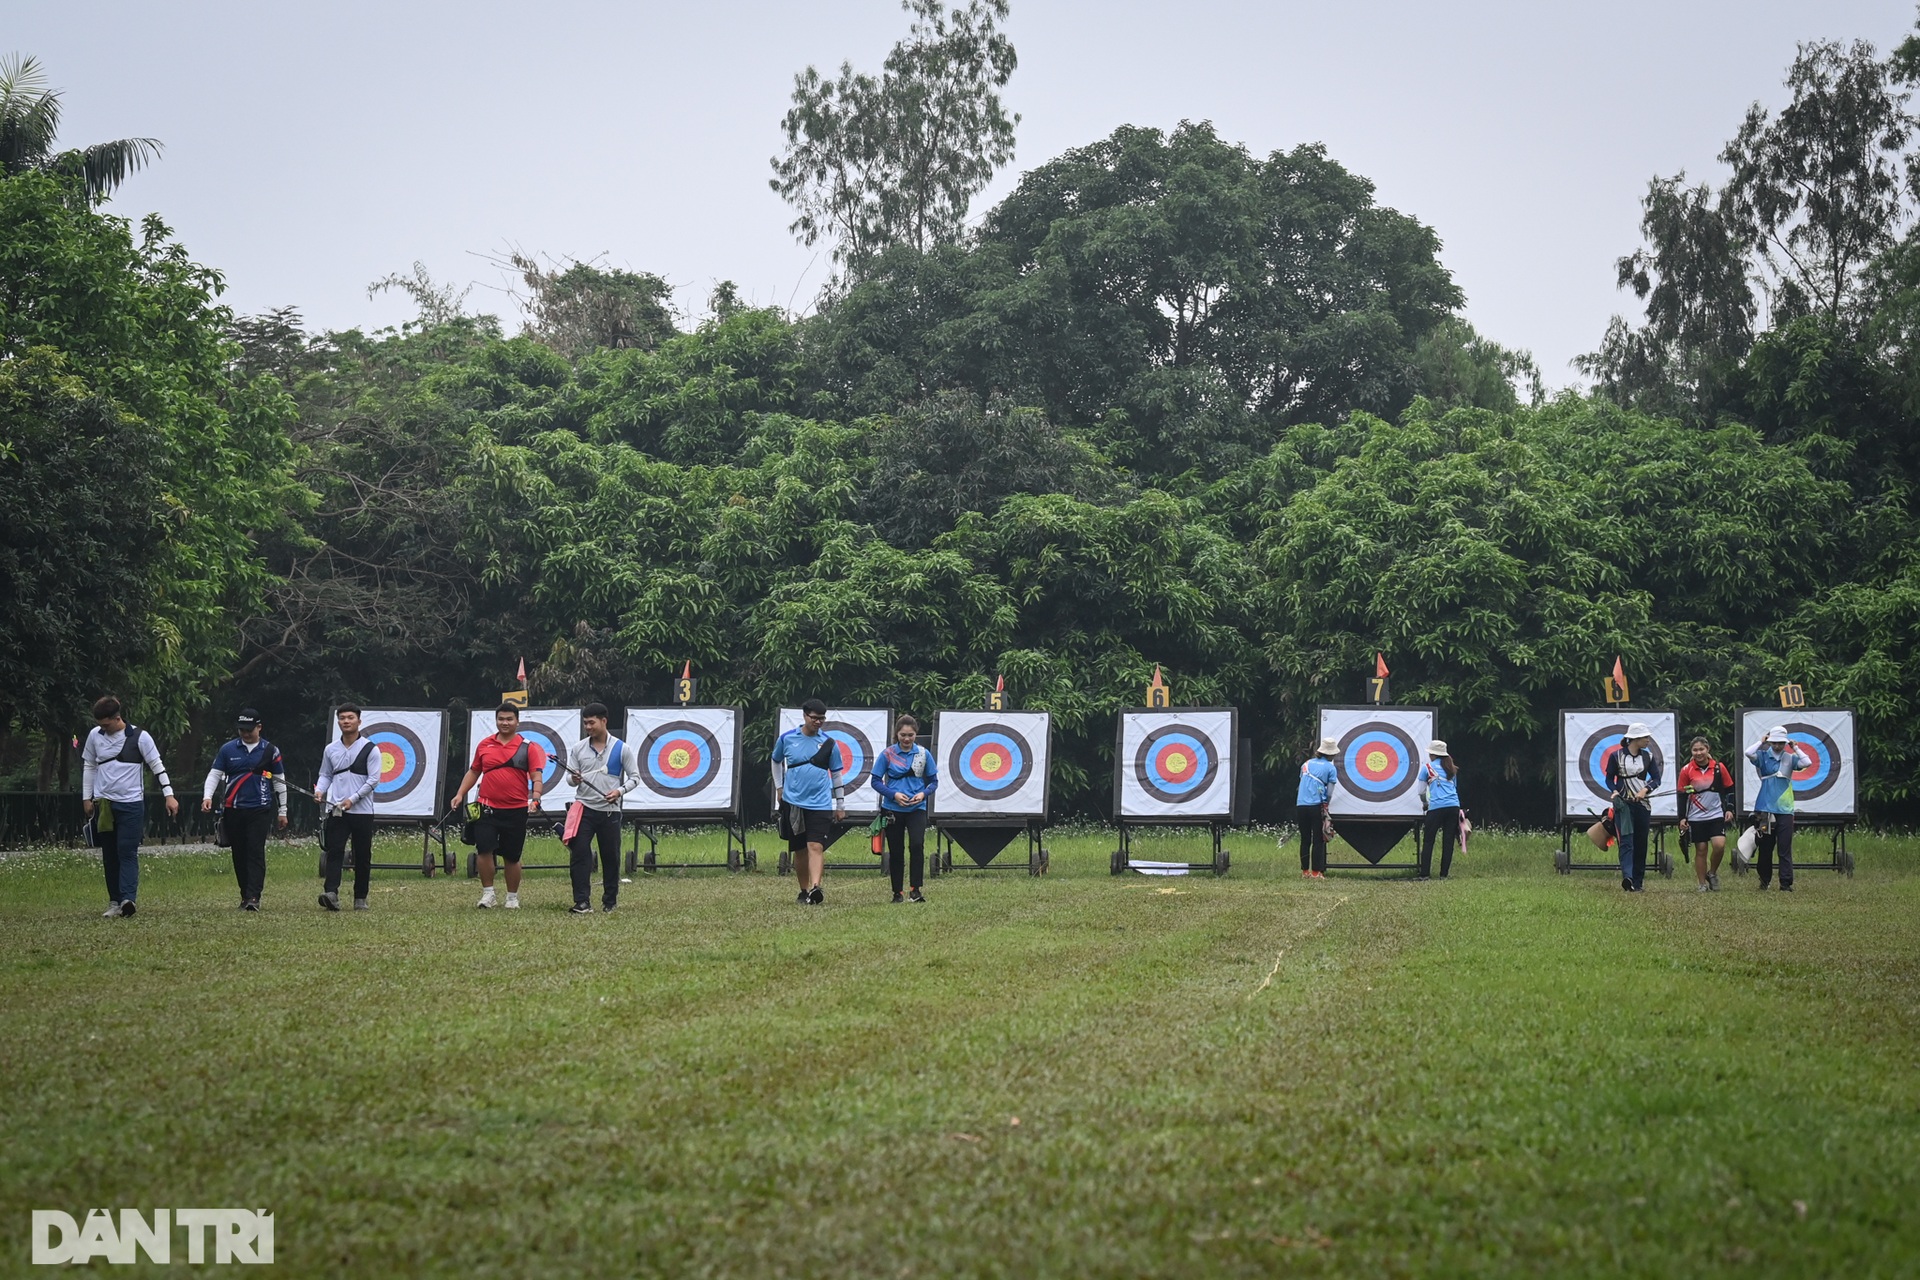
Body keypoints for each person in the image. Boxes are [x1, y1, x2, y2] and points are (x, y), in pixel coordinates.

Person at [80, 696, 178, 918]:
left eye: (106, 724)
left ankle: (128, 899)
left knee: (127, 850)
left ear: (118, 718)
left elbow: (157, 766)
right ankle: (114, 901)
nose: (103, 729)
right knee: (109, 853)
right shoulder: (95, 736)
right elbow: (89, 766)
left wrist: (169, 795)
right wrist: (87, 798)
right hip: (104, 804)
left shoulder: (140, 737)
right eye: (100, 725)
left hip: (131, 804)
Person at [449, 702, 546, 909]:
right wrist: (460, 794)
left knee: (512, 856)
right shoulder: (485, 744)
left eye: (509, 719)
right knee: (484, 850)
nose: (505, 723)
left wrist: (536, 798)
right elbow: (474, 771)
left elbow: (536, 776)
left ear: (517, 721)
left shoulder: (528, 747)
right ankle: (488, 894)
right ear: (496, 721)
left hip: (516, 809)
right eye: (501, 719)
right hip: (486, 808)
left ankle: (512, 898)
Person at [201, 708, 288, 911]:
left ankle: (254, 897)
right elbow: (214, 774)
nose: (246, 734)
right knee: (239, 852)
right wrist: (207, 797)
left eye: (250, 730)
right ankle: (245, 894)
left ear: (259, 727)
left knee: (255, 851)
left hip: (260, 809)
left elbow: (279, 781)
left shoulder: (270, 750)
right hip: (233, 809)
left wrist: (283, 810)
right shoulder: (228, 749)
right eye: (242, 730)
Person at [565, 702, 639, 915]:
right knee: (579, 855)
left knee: (611, 857)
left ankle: (610, 901)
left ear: (603, 721)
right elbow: (569, 778)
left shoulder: (621, 748)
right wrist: (574, 778)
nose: (588, 727)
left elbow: (635, 778)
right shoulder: (578, 748)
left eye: (592, 723)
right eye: (585, 723)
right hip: (584, 809)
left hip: (610, 812)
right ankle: (582, 902)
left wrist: (619, 791)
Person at [772, 699, 846, 905]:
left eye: (822, 718)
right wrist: (779, 787)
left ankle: (815, 888)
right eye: (814, 718)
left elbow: (836, 774)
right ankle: (803, 890)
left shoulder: (829, 743)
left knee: (816, 845)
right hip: (794, 802)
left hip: (821, 803)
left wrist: (840, 805)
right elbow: (776, 760)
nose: (818, 722)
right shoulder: (787, 738)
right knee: (800, 849)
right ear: (805, 716)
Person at [315, 703, 381, 911]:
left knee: (362, 855)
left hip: (362, 811)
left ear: (359, 721)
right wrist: (320, 791)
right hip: (336, 809)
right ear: (338, 722)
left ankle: (360, 897)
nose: (346, 721)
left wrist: (353, 799)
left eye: (350, 717)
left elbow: (373, 780)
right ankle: (331, 893)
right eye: (342, 718)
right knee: (334, 851)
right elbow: (325, 774)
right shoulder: (331, 749)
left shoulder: (371, 749)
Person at [870, 714, 938, 903]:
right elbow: (875, 781)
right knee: (896, 850)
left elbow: (933, 781)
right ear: (896, 735)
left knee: (917, 845)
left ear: (916, 734)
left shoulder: (923, 754)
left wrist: (923, 794)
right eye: (903, 735)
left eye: (910, 735)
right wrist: (894, 795)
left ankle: (915, 890)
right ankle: (897, 892)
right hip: (892, 808)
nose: (907, 739)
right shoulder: (888, 754)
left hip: (917, 808)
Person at [1747, 725, 1811, 892]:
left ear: (1785, 743)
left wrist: (1795, 747)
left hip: (1785, 809)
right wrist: (1761, 742)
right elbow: (1748, 753)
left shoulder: (1790, 758)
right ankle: (1764, 880)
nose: (1777, 746)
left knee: (1784, 847)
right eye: (1774, 742)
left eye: (1781, 743)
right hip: (1765, 808)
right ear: (1770, 741)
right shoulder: (1762, 755)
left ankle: (1785, 883)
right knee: (1765, 846)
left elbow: (1807, 762)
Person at [1606, 723, 1661, 892]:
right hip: (1624, 805)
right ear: (1635, 738)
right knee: (1626, 841)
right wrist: (1615, 791)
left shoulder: (1648, 757)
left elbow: (1656, 779)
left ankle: (1638, 882)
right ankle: (1628, 877)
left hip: (1642, 805)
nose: (1648, 740)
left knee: (1640, 842)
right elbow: (1609, 779)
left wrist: (1645, 790)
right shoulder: (1616, 756)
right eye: (1645, 737)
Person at [1676, 736, 1736, 893]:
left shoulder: (1719, 767)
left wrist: (1729, 809)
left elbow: (1729, 788)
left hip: (1716, 813)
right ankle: (1702, 884)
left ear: (1707, 749)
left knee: (1719, 845)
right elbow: (1681, 795)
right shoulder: (1686, 770)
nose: (1698, 753)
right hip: (1695, 816)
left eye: (1701, 749)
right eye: (1695, 750)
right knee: (1701, 849)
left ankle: (1712, 873)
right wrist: (1682, 818)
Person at [1417, 740, 1462, 880]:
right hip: (1453, 806)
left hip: (1436, 807)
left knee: (1429, 840)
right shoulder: (1452, 769)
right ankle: (1444, 874)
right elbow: (1454, 788)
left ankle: (1425, 874)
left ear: (1433, 754)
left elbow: (1421, 792)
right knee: (1448, 841)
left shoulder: (1427, 768)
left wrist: (1425, 803)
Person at [1295, 736, 1338, 880]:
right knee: (1318, 839)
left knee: (1305, 839)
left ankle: (1305, 871)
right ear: (1331, 754)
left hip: (1301, 805)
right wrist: (1326, 803)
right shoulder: (1330, 768)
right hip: (1316, 806)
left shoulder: (1306, 764)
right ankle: (1315, 872)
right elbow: (1329, 792)